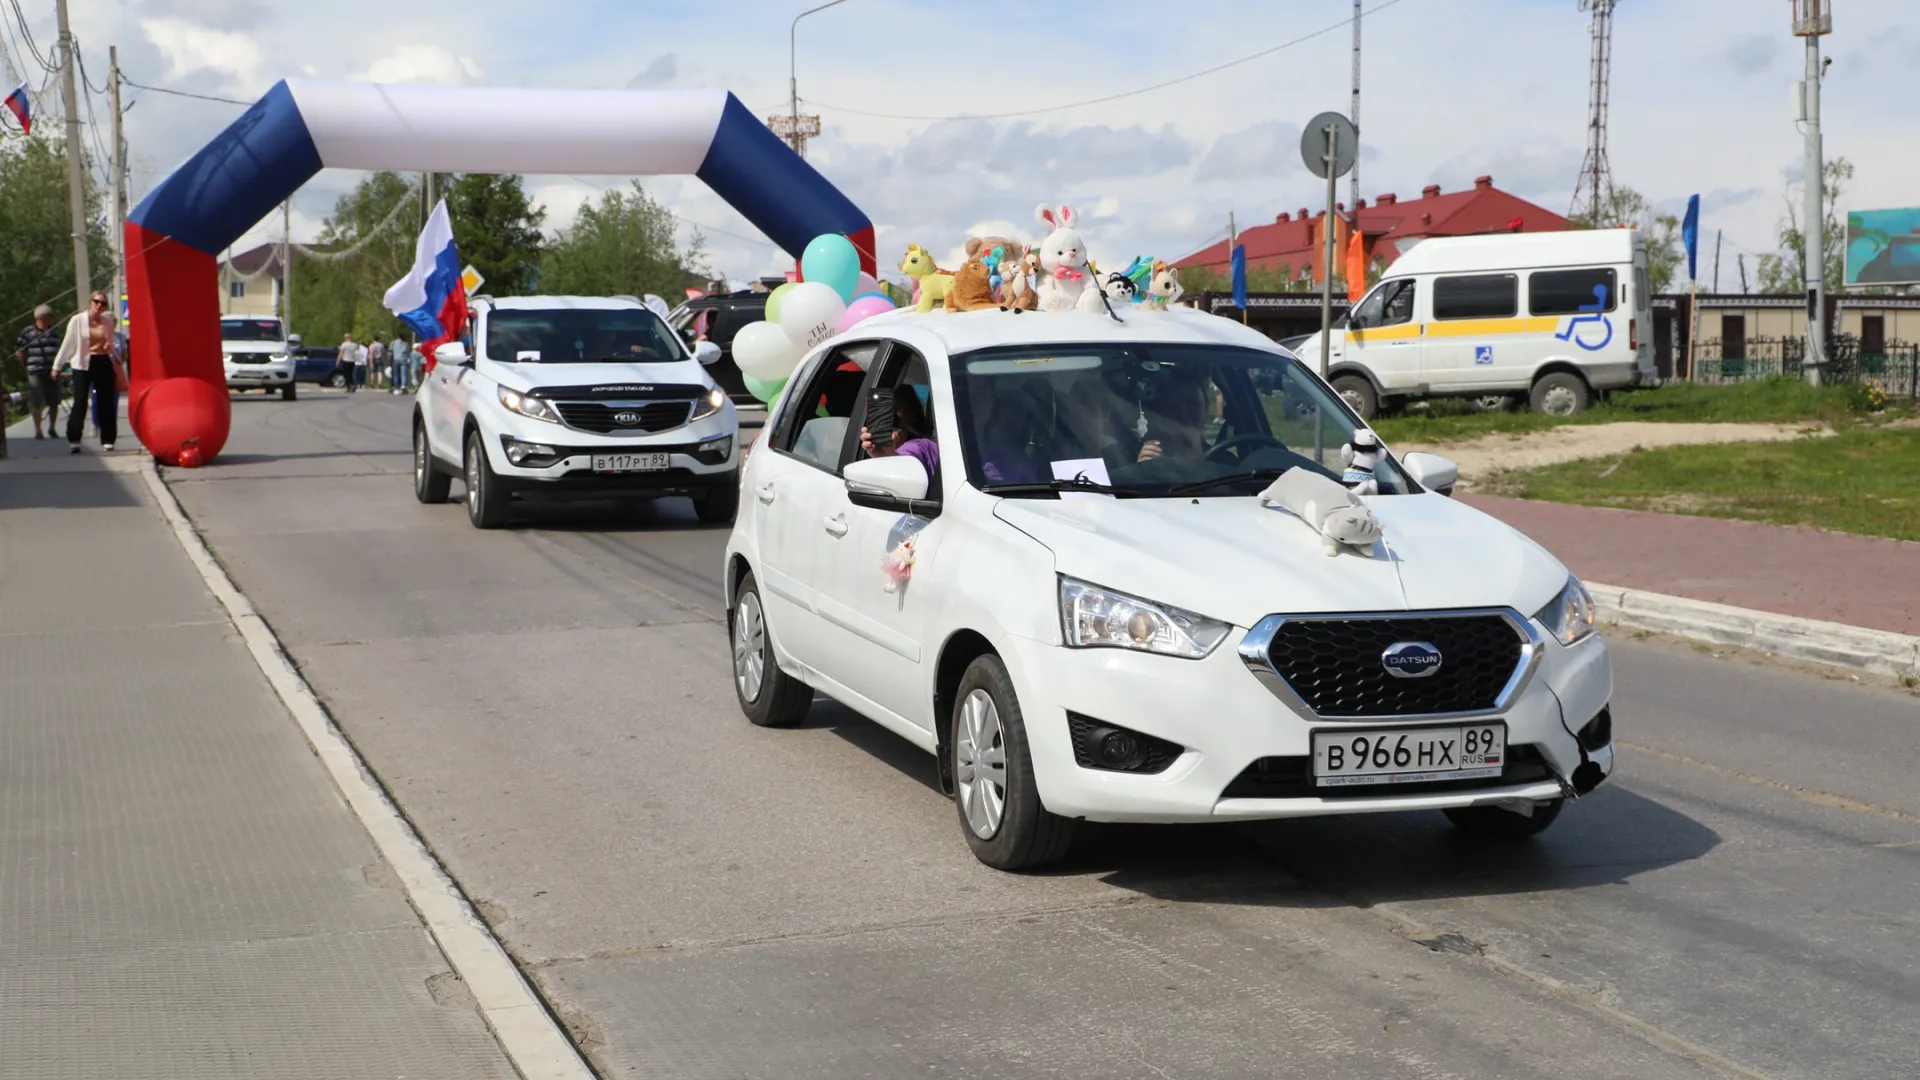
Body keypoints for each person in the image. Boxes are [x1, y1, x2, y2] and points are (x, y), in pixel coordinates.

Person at [52, 292, 122, 453]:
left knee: (106, 401)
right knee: (81, 400)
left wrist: (107, 346)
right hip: (82, 363)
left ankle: (108, 439)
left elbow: (109, 342)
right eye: (96, 302)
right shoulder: (77, 320)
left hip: (102, 361)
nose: (99, 306)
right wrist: (57, 366)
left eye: (103, 304)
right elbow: (68, 343)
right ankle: (75, 438)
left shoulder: (107, 322)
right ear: (90, 302)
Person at [859, 385, 939, 482]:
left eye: (898, 408)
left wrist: (891, 457)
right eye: (889, 411)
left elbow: (911, 454)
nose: (893, 416)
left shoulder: (923, 445)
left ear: (913, 410)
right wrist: (887, 456)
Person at [14, 304, 63, 439]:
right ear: (42, 318)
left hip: (52, 371)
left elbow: (59, 350)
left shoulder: (55, 332)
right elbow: (19, 352)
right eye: (50, 316)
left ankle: (52, 428)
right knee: (36, 401)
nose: (53, 318)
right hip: (35, 371)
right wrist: (27, 365)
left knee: (54, 400)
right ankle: (38, 430)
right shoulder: (27, 333)